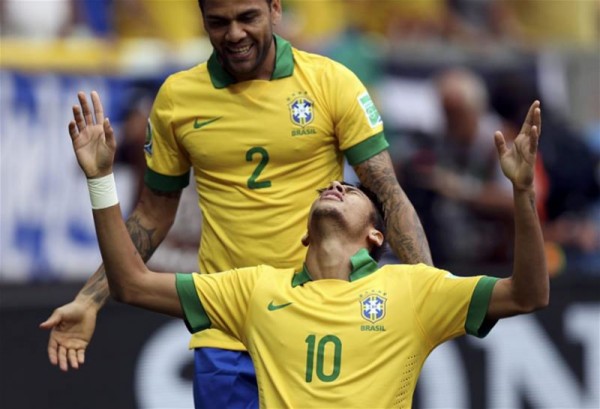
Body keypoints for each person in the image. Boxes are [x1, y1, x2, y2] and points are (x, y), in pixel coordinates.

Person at [40, 0, 432, 407]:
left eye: (248, 18)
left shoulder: (332, 82)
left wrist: (429, 298)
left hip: (318, 320)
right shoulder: (177, 98)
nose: (234, 34)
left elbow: (386, 191)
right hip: (228, 329)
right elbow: (153, 214)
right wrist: (89, 299)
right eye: (219, 22)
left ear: (275, 10)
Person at [65, 92, 547, 408]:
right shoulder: (256, 288)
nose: (336, 185)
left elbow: (527, 295)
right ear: (304, 235)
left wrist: (522, 192)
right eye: (327, 190)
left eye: (352, 190)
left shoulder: (412, 288)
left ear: (376, 237)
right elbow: (130, 282)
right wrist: (100, 181)